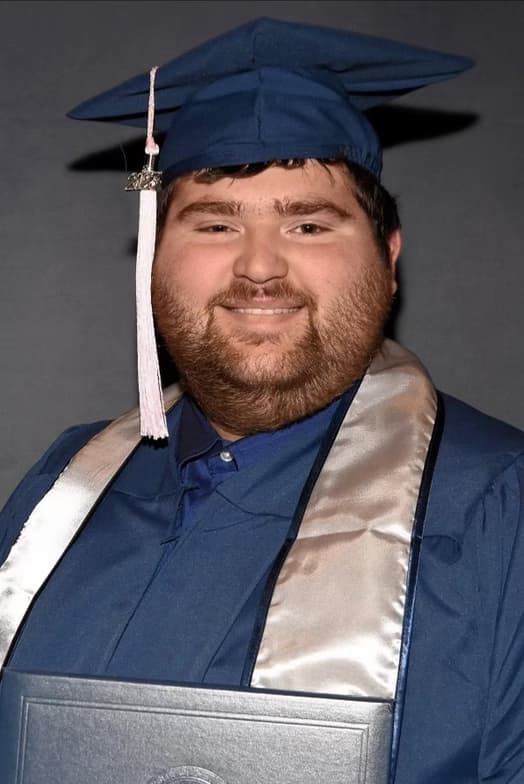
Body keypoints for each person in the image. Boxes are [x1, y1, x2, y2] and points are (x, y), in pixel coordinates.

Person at [1, 17, 523, 784]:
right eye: (214, 223)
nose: (258, 268)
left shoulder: (500, 506)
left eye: (308, 223)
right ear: (153, 260)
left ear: (387, 256)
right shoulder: (66, 487)